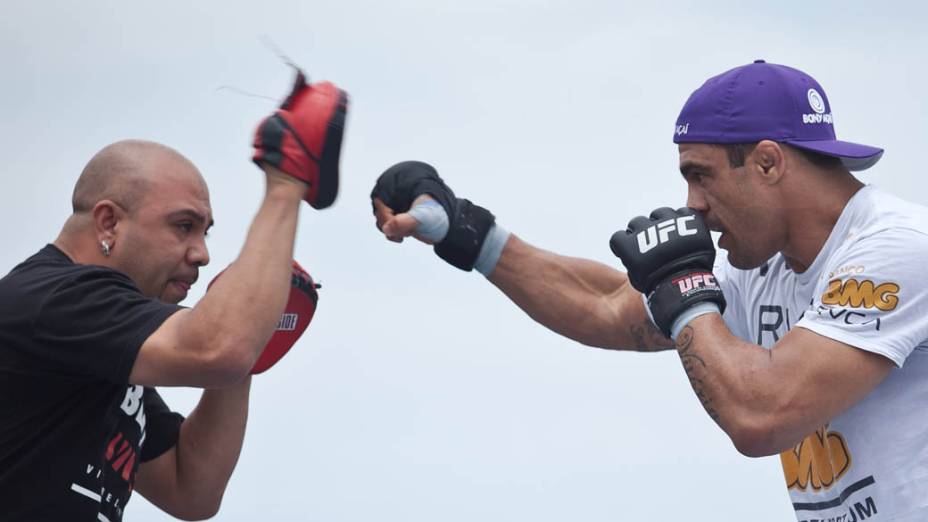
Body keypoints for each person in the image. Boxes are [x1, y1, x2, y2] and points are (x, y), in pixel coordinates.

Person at [370, 60, 928, 521]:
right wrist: (469, 233)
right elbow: (610, 308)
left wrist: (684, 293)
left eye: (700, 174)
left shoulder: (896, 249)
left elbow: (763, 417)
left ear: (766, 162)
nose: (691, 204)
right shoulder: (764, 266)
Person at [0, 72, 347, 521]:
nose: (202, 254)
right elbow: (217, 348)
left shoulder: (98, 352)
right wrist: (285, 186)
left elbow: (192, 489)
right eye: (184, 226)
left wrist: (249, 346)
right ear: (108, 223)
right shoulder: (55, 301)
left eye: (205, 232)